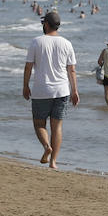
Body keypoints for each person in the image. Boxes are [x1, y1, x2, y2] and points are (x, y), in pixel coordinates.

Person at [20, 10, 78, 170]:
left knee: (39, 124)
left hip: (41, 90)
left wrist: (25, 85)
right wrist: (75, 91)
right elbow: (71, 70)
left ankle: (46, 146)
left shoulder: (36, 42)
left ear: (46, 24)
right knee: (57, 127)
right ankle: (53, 162)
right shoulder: (67, 43)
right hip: (62, 91)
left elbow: (28, 66)